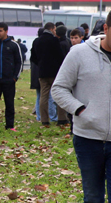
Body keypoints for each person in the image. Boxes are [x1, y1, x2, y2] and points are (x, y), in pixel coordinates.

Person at [52, 11, 111, 203]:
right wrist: (80, 110)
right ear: (105, 29)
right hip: (88, 138)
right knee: (93, 196)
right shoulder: (80, 53)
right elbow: (59, 88)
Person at [31, 22, 69, 127]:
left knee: (43, 96)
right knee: (58, 94)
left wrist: (41, 63)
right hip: (54, 72)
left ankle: (44, 120)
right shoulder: (54, 40)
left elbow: (33, 57)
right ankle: (61, 119)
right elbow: (60, 56)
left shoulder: (37, 41)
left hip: (42, 72)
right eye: (54, 29)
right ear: (52, 29)